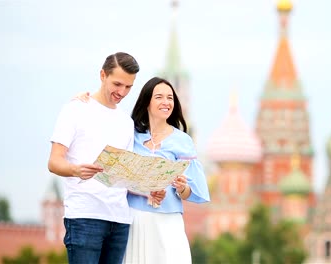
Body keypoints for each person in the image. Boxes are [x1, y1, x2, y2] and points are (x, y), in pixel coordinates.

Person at [75, 76, 210, 264]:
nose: (166, 102)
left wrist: (181, 188)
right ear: (147, 102)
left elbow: (191, 192)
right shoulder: (131, 133)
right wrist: (86, 101)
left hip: (168, 222)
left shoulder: (182, 141)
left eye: (170, 98)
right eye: (159, 97)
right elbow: (115, 169)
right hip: (134, 219)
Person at [48, 52, 141, 264]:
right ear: (102, 75)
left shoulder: (126, 121)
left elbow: (124, 175)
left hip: (119, 220)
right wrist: (76, 170)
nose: (122, 92)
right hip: (84, 216)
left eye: (128, 87)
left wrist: (151, 188)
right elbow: (54, 162)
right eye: (117, 84)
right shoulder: (75, 109)